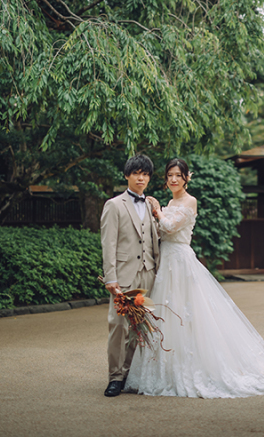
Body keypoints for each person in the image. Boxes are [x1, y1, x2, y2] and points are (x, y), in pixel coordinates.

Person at [125, 158, 264, 398]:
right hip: (166, 261)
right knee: (167, 313)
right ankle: (165, 370)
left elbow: (168, 227)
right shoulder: (171, 201)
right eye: (170, 175)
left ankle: (194, 368)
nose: (174, 179)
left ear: (187, 178)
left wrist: (156, 211)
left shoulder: (190, 201)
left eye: (178, 175)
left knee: (189, 313)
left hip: (180, 262)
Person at [100, 154, 159, 397]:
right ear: (127, 175)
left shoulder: (151, 204)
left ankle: (128, 374)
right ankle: (114, 377)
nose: (141, 178)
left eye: (145, 174)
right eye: (136, 173)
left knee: (139, 327)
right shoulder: (114, 205)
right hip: (123, 277)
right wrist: (110, 277)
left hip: (148, 273)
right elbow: (108, 243)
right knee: (117, 325)